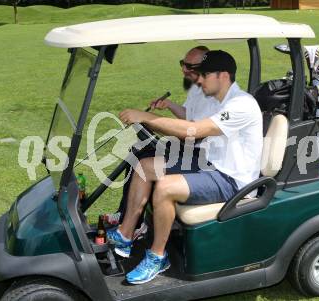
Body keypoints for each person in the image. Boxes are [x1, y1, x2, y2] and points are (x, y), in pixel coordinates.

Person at [108, 50, 263, 284]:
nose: (198, 80)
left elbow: (195, 131)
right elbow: (191, 122)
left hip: (233, 180)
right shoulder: (221, 100)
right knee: (145, 167)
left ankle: (158, 256)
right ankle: (125, 235)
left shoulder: (242, 104)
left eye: (204, 75)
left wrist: (146, 117)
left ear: (223, 75)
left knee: (165, 188)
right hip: (210, 166)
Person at [103, 46, 220, 228]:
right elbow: (189, 116)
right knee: (140, 151)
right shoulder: (197, 89)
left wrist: (149, 118)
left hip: (203, 156)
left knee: (146, 163)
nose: (184, 70)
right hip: (191, 147)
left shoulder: (215, 94)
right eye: (183, 64)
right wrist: (170, 105)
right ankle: (125, 215)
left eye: (190, 66)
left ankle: (135, 226)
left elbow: (192, 131)